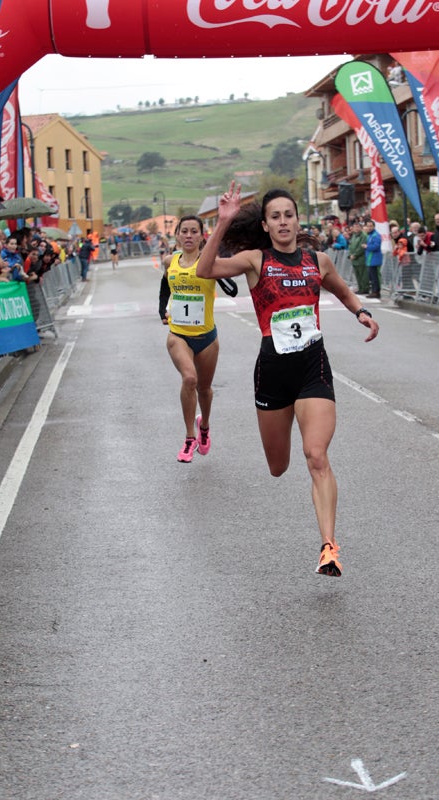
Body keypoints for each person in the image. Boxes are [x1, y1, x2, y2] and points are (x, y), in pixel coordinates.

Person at [196, 183, 379, 577]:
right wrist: (223, 221)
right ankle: (322, 533)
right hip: (273, 374)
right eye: (275, 216)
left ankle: (329, 546)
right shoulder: (254, 260)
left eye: (289, 215)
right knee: (278, 467)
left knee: (316, 456)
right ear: (265, 224)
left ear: (298, 220)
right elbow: (205, 270)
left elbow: (343, 291)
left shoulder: (319, 260)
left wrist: (360, 312)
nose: (283, 221)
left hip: (313, 368)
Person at [161, 214, 222, 463]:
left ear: (201, 236)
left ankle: (204, 426)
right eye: (184, 231)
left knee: (204, 389)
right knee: (189, 379)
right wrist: (162, 309)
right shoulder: (169, 261)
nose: (188, 235)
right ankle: (189, 438)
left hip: (207, 337)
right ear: (176, 235)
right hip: (179, 335)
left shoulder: (211, 263)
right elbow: (165, 285)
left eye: (193, 231)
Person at [348, 219, 370, 294]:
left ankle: (364, 288)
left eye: (358, 227)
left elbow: (361, 247)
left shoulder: (363, 235)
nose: (356, 228)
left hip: (361, 258)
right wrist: (350, 254)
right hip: (354, 260)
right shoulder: (353, 235)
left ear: (361, 227)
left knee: (363, 274)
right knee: (357, 275)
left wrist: (355, 255)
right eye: (355, 227)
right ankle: (360, 288)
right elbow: (351, 246)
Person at [363, 219, 383, 299]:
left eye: (371, 226)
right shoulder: (369, 235)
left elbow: (376, 246)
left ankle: (376, 291)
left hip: (374, 259)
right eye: (368, 226)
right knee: (371, 277)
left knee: (375, 277)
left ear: (374, 226)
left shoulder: (376, 235)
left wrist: (367, 246)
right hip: (370, 259)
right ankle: (374, 291)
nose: (369, 228)